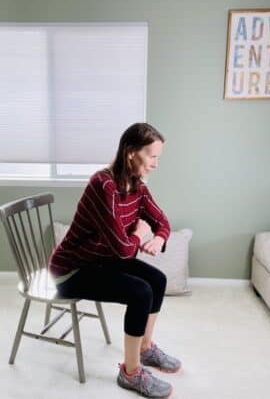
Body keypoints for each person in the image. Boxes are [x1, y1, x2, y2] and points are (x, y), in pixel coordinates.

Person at [48, 123, 181, 398]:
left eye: (158, 157)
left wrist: (157, 238)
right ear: (131, 153)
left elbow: (162, 221)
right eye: (152, 156)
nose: (156, 164)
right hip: (70, 272)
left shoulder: (137, 187)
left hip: (99, 260)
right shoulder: (103, 185)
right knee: (140, 292)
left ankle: (145, 348)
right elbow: (123, 250)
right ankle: (130, 373)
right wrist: (140, 233)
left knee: (157, 279)